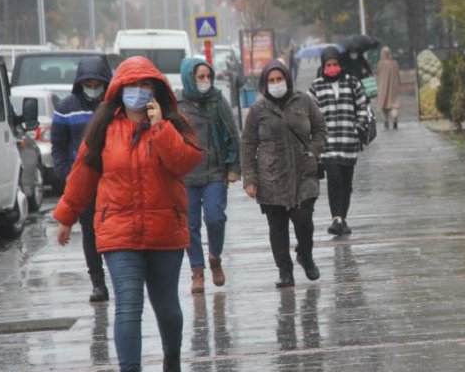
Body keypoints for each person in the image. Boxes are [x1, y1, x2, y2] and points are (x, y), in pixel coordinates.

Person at [53, 56, 203, 372]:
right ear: (119, 89)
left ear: (156, 89)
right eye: (131, 85)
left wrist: (160, 127)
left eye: (145, 84)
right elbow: (82, 174)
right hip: (119, 233)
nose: (137, 91)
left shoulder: (174, 124)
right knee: (128, 306)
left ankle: (171, 361)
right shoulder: (102, 130)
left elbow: (183, 163)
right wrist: (67, 216)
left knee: (167, 307)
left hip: (165, 230)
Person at [241, 60, 327, 288]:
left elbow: (320, 129)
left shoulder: (304, 101)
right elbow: (248, 144)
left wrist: (313, 152)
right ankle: (285, 271)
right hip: (271, 176)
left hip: (303, 173)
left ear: (287, 80)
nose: (276, 84)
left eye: (279, 79)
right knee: (277, 227)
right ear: (264, 83)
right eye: (271, 80)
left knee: (303, 220)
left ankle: (305, 256)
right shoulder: (258, 110)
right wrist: (249, 178)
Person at [51, 56, 112, 302]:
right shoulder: (66, 108)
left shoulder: (112, 106)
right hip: (84, 183)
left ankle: (119, 277)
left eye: (97, 82)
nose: (93, 87)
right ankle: (98, 282)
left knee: (113, 231)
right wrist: (68, 175)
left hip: (112, 181)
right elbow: (58, 145)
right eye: (88, 83)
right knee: (90, 233)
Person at [178, 57, 240, 295]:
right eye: (200, 77)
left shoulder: (217, 100)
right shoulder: (177, 105)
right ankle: (197, 270)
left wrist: (233, 167)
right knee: (189, 226)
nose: (205, 81)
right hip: (186, 176)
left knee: (215, 217)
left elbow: (232, 133)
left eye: (208, 77)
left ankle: (215, 256)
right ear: (189, 78)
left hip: (215, 172)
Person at [308, 47, 369, 236]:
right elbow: (310, 114)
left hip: (348, 143)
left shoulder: (352, 83)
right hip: (328, 145)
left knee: (346, 183)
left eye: (335, 64)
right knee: (334, 180)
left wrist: (358, 128)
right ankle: (336, 218)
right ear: (323, 66)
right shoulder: (316, 86)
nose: (332, 67)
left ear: (340, 65)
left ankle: (342, 218)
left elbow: (362, 107)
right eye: (328, 65)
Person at [375, 46, 401, 130]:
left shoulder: (381, 63)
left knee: (384, 104)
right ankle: (395, 119)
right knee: (394, 104)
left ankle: (386, 121)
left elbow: (377, 73)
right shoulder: (395, 63)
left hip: (383, 87)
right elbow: (398, 74)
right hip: (394, 87)